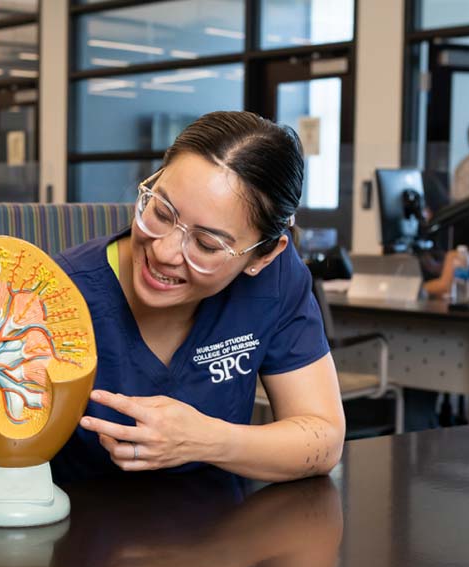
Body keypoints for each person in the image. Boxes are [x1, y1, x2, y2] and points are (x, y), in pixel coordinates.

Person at [50, 111, 345, 483]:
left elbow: (323, 438)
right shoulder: (61, 292)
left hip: (225, 531)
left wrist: (205, 441)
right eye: (161, 211)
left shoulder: (276, 279)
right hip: (85, 533)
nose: (165, 251)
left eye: (207, 244)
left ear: (263, 255)